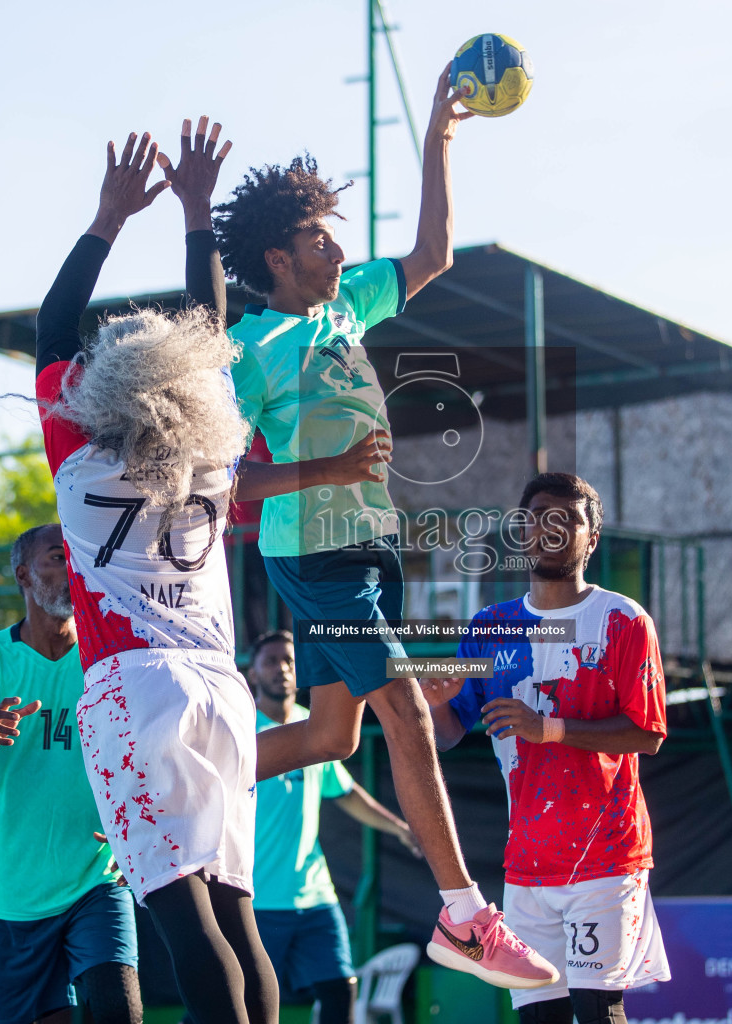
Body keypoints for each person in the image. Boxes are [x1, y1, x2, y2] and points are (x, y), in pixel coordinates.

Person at [191, 63, 555, 990]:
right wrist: (335, 469)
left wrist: (438, 135)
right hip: (313, 557)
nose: (336, 250)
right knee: (405, 709)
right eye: (319, 238)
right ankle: (467, 918)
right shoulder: (250, 350)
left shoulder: (348, 308)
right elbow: (237, 484)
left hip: (370, 548)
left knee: (329, 740)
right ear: (278, 256)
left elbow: (433, 251)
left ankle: (175, 795)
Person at [34, 119, 385, 1024]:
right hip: (222, 697)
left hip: (133, 692)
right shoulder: (214, 454)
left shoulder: (78, 459)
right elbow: (211, 325)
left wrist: (109, 217)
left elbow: (51, 324)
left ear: (99, 389)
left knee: (187, 936)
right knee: (240, 925)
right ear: (189, 384)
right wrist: (195, 208)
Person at [425, 474, 671, 1024]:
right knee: (539, 1018)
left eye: (568, 518)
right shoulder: (490, 626)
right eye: (538, 516)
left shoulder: (623, 620)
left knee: (598, 1008)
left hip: (607, 856)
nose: (551, 528)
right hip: (526, 866)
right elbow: (451, 733)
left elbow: (648, 733)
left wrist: (551, 728)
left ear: (593, 536)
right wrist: (437, 704)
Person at [0, 523, 141, 1024]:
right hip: (14, 893)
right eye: (58, 557)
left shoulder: (110, 655)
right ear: (24, 575)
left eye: (77, 555)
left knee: (119, 1008)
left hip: (97, 876)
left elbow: (144, 757)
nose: (73, 567)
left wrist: (139, 830)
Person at [247, 630, 421, 1024]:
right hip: (255, 901)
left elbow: (345, 792)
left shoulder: (317, 725)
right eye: (271, 661)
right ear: (253, 674)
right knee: (245, 1004)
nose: (283, 669)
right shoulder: (240, 730)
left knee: (340, 990)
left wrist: (400, 828)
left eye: (289, 660)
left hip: (315, 896)